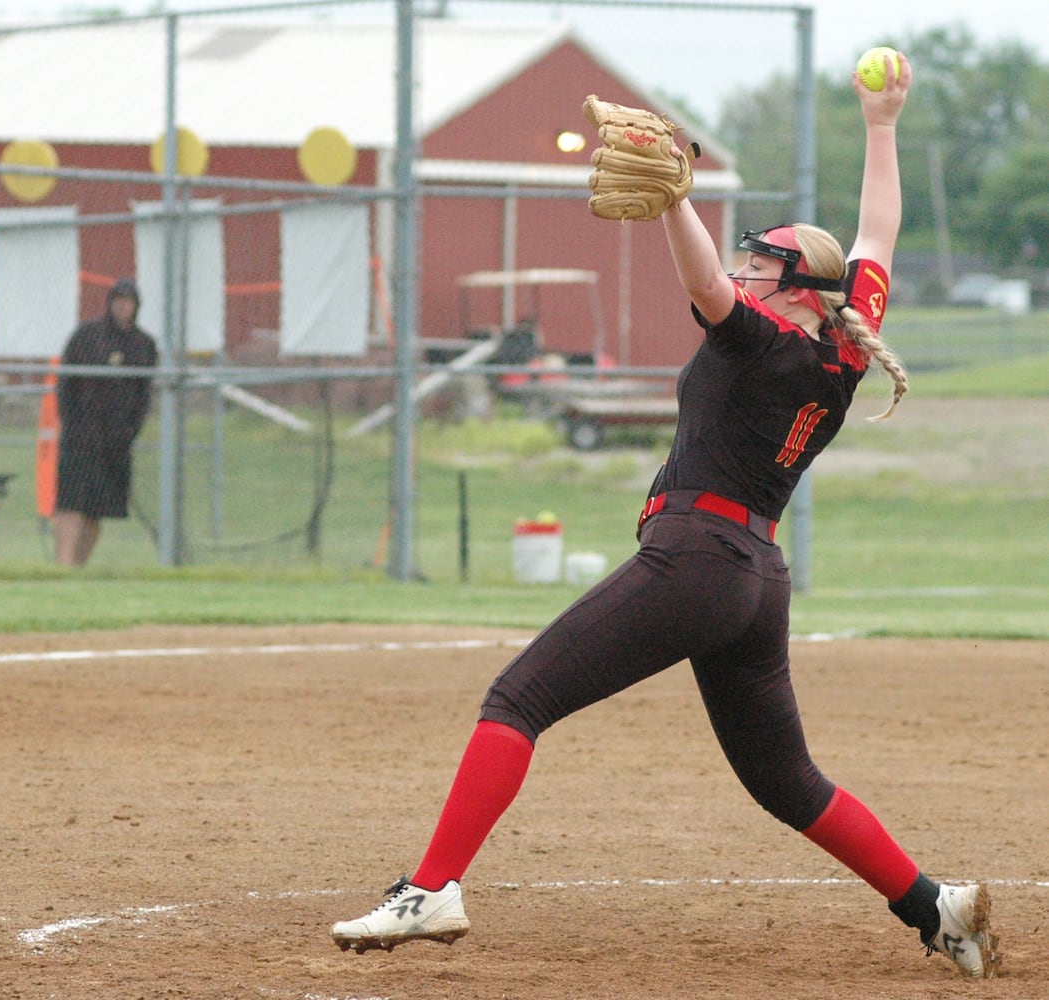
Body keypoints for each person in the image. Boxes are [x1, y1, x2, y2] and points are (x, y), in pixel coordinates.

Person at [331, 54, 1000, 980]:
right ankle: (934, 907)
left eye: (758, 257)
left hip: (698, 558)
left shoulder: (768, 339)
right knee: (785, 779)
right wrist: (880, 125)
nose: (743, 264)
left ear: (793, 286)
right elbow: (876, 228)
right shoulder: (841, 342)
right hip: (754, 577)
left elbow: (707, 292)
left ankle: (430, 887)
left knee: (517, 700)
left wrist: (673, 203)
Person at [52, 278, 157, 567]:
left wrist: (128, 432)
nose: (123, 307)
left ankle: (78, 568)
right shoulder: (88, 335)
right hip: (80, 438)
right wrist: (73, 423)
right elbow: (66, 386)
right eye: (118, 300)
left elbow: (143, 396)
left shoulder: (143, 345)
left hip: (115, 443)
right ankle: (63, 566)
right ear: (109, 302)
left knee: (96, 510)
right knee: (71, 503)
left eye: (129, 302)